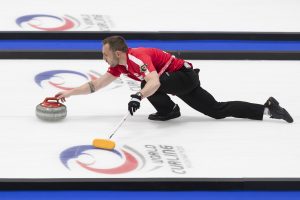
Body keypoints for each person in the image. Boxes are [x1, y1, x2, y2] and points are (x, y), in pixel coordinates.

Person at [55, 36, 293, 123]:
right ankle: (268, 109)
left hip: (183, 76)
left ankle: (169, 111)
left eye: (105, 54)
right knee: (217, 110)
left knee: (146, 84)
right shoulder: (120, 67)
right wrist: (68, 94)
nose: (103, 58)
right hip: (178, 80)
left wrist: (139, 96)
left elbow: (155, 83)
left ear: (118, 53)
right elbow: (95, 84)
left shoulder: (137, 58)